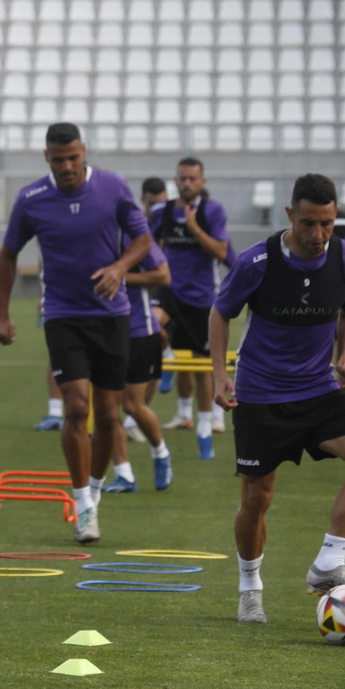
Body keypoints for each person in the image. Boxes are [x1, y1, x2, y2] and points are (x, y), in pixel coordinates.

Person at [211, 174, 345, 625]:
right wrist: (217, 375)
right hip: (261, 394)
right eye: (308, 223)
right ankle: (250, 587)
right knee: (257, 498)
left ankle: (329, 561)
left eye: (327, 224)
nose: (318, 235)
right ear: (290, 215)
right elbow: (220, 312)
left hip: (319, 389)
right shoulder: (256, 263)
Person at [0, 123, 157, 544]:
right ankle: (82, 502)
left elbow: (142, 238)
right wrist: (2, 314)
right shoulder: (31, 199)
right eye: (58, 159)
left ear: (84, 152)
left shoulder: (114, 187)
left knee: (107, 415)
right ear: (46, 158)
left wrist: (120, 268)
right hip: (63, 315)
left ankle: (96, 491)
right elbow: (9, 253)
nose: (67, 166)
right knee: (75, 406)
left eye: (73, 157)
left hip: (112, 316)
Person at [152, 158, 230, 459]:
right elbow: (149, 241)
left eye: (192, 179)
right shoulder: (163, 211)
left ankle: (204, 429)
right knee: (152, 324)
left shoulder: (213, 211)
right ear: (176, 179)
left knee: (202, 369)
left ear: (202, 182)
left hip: (201, 297)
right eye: (182, 178)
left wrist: (195, 228)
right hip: (169, 290)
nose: (186, 183)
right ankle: (167, 355)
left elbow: (222, 251)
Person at [102, 240, 174, 493]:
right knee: (107, 411)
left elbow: (163, 275)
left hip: (139, 330)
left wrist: (119, 273)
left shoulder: (135, 238)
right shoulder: (88, 233)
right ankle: (124, 475)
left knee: (132, 405)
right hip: (102, 332)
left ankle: (161, 453)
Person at [140, 176, 177, 397]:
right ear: (142, 199)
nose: (156, 208)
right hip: (140, 293)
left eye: (161, 203)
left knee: (154, 332)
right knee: (145, 352)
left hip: (166, 292)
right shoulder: (136, 224)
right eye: (152, 204)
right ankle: (135, 417)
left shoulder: (168, 224)